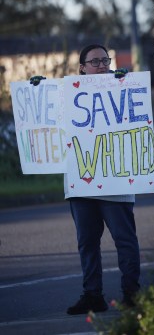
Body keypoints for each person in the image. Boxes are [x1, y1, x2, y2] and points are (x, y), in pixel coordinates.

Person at [31, 44, 140, 315]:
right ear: (82, 67)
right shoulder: (67, 94)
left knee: (124, 239)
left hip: (115, 180)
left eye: (106, 60)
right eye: (95, 62)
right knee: (87, 242)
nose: (102, 65)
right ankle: (93, 295)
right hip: (81, 180)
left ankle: (132, 293)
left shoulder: (122, 84)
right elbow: (47, 117)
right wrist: (38, 91)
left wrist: (128, 83)